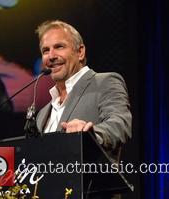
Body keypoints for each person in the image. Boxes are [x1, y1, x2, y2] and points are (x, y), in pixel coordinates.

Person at [35, 20, 132, 197]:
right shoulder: (43, 114)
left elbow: (120, 124)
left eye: (59, 47)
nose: (51, 55)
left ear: (80, 52)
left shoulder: (105, 82)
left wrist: (91, 132)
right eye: (45, 50)